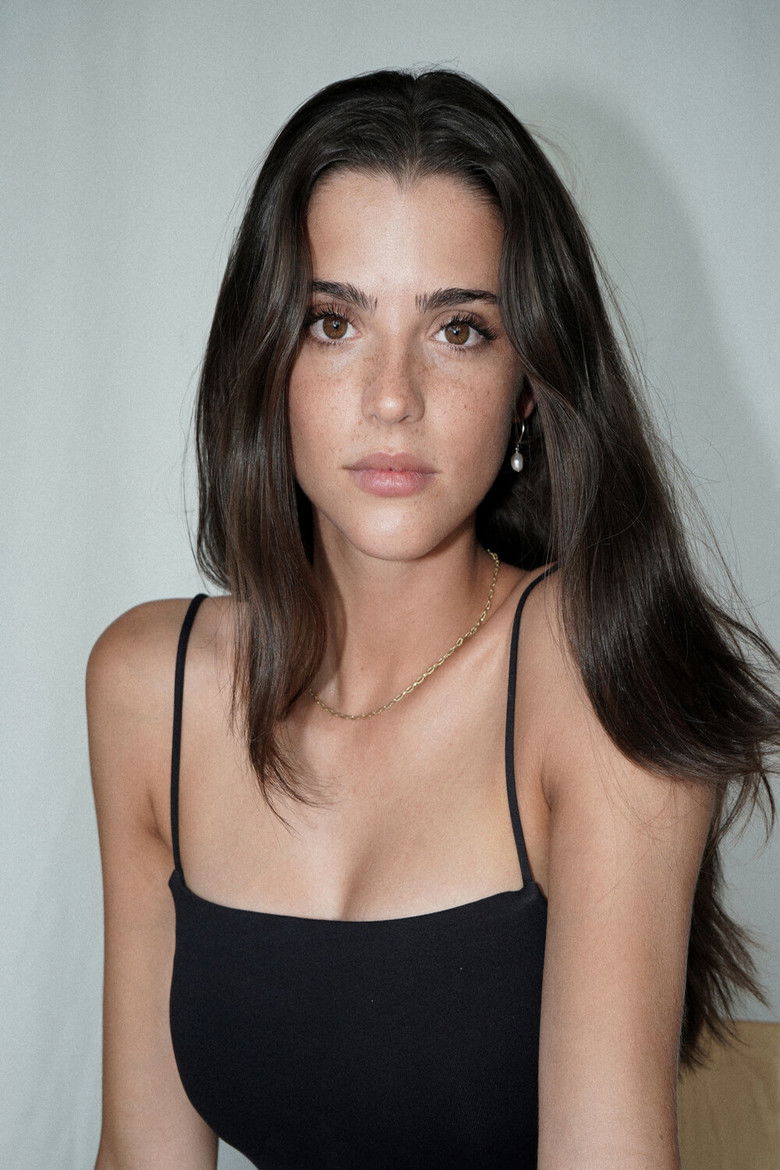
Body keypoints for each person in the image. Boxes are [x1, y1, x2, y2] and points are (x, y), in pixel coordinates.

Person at [86, 67, 780, 1170]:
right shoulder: (149, 688)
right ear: (265, 361)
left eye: (458, 330)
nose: (392, 396)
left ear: (530, 383)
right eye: (332, 323)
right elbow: (142, 1155)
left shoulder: (595, 673)